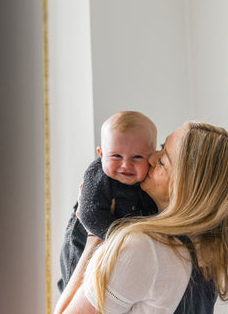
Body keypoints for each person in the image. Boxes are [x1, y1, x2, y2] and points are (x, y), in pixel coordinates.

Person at [60, 122, 228, 314]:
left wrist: (94, 238)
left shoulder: (145, 247)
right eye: (160, 148)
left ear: (184, 187)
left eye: (162, 161)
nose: (151, 158)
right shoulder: (209, 255)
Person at [56, 111, 158, 310]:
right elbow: (89, 214)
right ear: (101, 154)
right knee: (77, 280)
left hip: (114, 244)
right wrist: (124, 240)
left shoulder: (147, 182)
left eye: (137, 157)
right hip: (83, 238)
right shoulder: (98, 175)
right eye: (116, 156)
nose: (126, 164)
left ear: (151, 157)